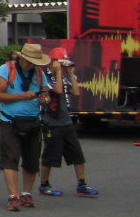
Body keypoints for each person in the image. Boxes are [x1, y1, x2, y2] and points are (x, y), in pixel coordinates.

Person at [0, 41, 52, 212]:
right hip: (10, 120)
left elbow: (47, 95)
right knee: (11, 158)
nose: (30, 65)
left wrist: (44, 99)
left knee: (32, 160)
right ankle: (13, 196)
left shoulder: (39, 73)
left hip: (33, 120)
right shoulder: (6, 70)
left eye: (34, 63)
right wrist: (23, 96)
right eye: (28, 61)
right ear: (21, 58)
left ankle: (26, 193)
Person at [39, 47, 99, 197]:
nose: (63, 66)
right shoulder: (46, 77)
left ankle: (82, 184)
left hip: (66, 122)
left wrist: (71, 74)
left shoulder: (64, 77)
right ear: (53, 63)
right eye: (61, 63)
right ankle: (44, 184)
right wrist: (58, 73)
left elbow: (76, 92)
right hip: (52, 122)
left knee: (77, 154)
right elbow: (58, 90)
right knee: (50, 155)